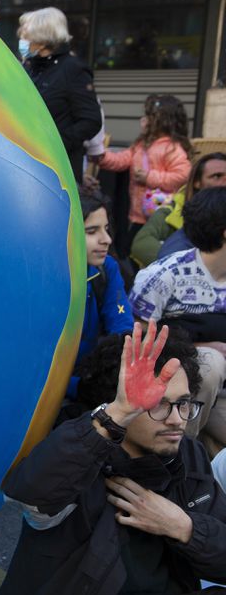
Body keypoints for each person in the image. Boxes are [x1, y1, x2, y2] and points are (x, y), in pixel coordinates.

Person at [0, 322, 226, 595]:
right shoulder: (80, 458)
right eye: (159, 404)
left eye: (184, 404)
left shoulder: (187, 457)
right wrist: (116, 415)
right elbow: (30, 490)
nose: (177, 420)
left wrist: (185, 528)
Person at [130, 187, 226, 458]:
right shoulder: (165, 275)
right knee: (210, 362)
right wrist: (204, 346)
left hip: (220, 394)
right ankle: (177, 456)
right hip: (178, 391)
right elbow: (135, 337)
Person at [19, 7, 103, 182]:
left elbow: (90, 120)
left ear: (42, 40)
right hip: (28, 162)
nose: (21, 40)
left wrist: (56, 144)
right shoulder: (30, 67)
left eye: (26, 36)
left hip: (58, 170)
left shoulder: (72, 69)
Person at [99, 95, 193, 249]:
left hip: (160, 216)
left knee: (140, 248)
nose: (143, 120)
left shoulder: (172, 148)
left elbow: (183, 175)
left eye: (148, 116)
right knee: (131, 247)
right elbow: (121, 160)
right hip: (138, 214)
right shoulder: (141, 144)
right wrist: (100, 156)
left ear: (162, 121)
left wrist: (149, 177)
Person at [70, 192, 133, 398]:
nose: (106, 239)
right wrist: (76, 387)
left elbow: (122, 325)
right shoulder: (42, 279)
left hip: (86, 377)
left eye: (106, 229)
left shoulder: (106, 268)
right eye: (91, 231)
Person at [132, 153, 226, 268]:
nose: (224, 182)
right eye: (217, 176)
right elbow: (141, 244)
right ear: (197, 182)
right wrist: (184, 266)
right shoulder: (170, 212)